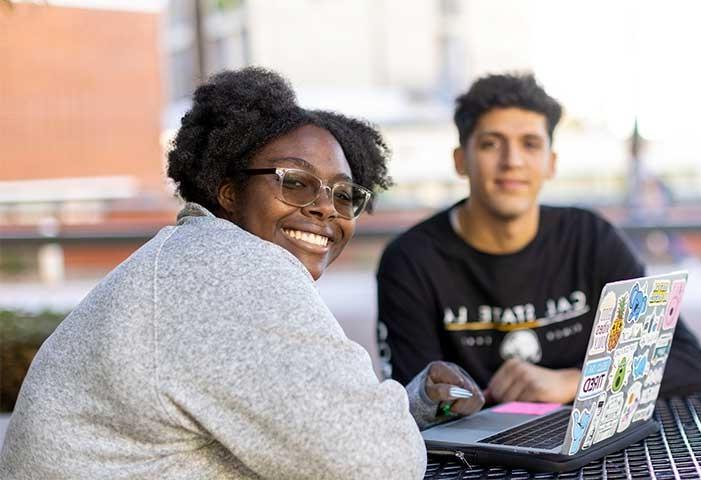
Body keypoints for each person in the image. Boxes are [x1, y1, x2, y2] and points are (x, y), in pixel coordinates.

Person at [0, 68, 483, 480]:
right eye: (294, 182)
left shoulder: (192, 258)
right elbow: (379, 463)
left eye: (343, 194)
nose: (324, 208)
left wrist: (412, 404)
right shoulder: (228, 271)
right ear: (227, 191)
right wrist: (392, 419)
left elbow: (292, 424)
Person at [376, 73, 701, 405]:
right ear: (461, 160)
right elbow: (412, 405)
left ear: (551, 163)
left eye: (530, 144)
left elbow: (691, 366)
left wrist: (575, 382)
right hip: (470, 456)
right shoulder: (410, 261)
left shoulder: (590, 238)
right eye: (491, 143)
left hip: (588, 445)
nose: (512, 161)